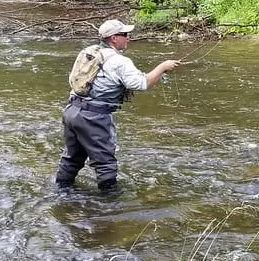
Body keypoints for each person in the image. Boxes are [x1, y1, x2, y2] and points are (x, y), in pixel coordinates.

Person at [54, 19, 181, 190]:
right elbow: (142, 83)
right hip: (94, 117)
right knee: (105, 163)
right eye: (125, 35)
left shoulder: (88, 51)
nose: (128, 38)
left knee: (72, 157)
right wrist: (163, 67)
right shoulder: (120, 61)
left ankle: (61, 191)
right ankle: (110, 204)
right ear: (114, 38)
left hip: (72, 111)